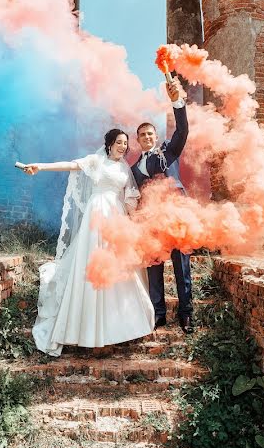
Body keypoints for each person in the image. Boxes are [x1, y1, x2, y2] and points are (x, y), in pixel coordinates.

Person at [21, 129, 154, 356]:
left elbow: (130, 196)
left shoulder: (124, 167)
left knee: (117, 269)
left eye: (125, 143)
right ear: (109, 144)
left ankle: (117, 328)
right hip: (97, 213)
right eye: (119, 143)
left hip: (117, 218)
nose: (123, 147)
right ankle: (89, 334)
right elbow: (71, 165)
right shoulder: (95, 161)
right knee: (92, 267)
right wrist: (40, 166)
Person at [132, 77, 193, 334]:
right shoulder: (134, 167)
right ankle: (158, 314)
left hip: (174, 215)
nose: (146, 137)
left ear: (155, 137)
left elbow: (182, 131)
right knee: (154, 266)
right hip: (149, 220)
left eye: (150, 133)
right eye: (142, 135)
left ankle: (186, 314)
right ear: (138, 140)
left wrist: (177, 102)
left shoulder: (169, 151)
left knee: (181, 265)